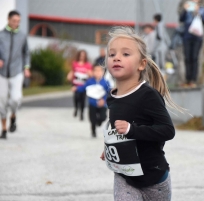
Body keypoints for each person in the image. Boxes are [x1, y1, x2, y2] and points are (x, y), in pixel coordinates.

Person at [99, 27, 181, 200]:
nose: (117, 58)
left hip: (155, 179)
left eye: (126, 54)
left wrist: (132, 130)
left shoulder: (148, 95)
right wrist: (110, 147)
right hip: (125, 177)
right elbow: (115, 128)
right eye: (112, 54)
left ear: (142, 64)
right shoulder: (112, 96)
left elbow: (167, 130)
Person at [0, 11, 31, 139]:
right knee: (1, 102)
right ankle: (4, 129)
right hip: (2, 73)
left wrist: (27, 67)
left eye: (18, 21)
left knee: (15, 99)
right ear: (8, 19)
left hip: (17, 71)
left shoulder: (22, 36)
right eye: (14, 20)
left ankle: (13, 115)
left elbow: (26, 53)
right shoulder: (1, 35)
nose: (16, 23)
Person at [73, 64, 110, 137]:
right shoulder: (90, 81)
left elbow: (109, 93)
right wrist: (76, 88)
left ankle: (99, 122)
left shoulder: (105, 82)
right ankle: (93, 131)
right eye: (95, 71)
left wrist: (104, 100)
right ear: (93, 72)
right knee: (92, 118)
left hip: (102, 103)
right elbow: (83, 88)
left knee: (103, 117)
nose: (97, 72)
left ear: (102, 72)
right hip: (92, 103)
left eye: (99, 71)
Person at [179, 0, 204, 88]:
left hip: (197, 37)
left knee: (194, 57)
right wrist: (185, 10)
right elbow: (181, 19)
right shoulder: (188, 8)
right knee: (187, 58)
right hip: (187, 37)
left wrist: (197, 11)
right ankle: (187, 78)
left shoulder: (203, 9)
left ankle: (193, 79)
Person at [67, 50, 92, 121]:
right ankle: (76, 108)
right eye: (81, 55)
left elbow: (91, 75)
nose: (82, 57)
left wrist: (89, 73)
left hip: (84, 85)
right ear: (79, 56)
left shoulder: (88, 65)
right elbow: (72, 72)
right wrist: (69, 76)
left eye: (83, 55)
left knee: (83, 100)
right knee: (76, 98)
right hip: (76, 84)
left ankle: (82, 113)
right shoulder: (75, 63)